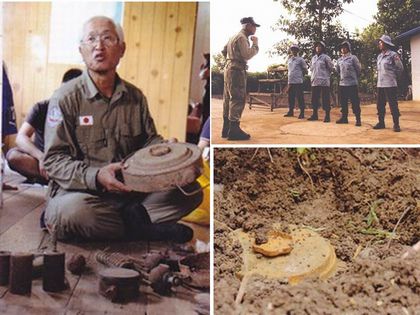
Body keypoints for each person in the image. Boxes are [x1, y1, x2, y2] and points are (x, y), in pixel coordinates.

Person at [43, 16, 202, 242]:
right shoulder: (65, 98)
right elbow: (53, 161)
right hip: (81, 196)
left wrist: (166, 151)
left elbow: (148, 143)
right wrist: (96, 176)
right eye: (91, 39)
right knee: (76, 213)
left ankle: (129, 226)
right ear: (81, 50)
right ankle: (142, 228)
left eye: (108, 38)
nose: (99, 46)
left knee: (191, 191)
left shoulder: (135, 97)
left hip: (130, 196)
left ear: (121, 49)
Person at [6, 69, 82, 185]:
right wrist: (41, 157)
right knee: (13, 156)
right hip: (42, 161)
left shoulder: (85, 111)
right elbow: (21, 137)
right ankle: (57, 178)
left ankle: (58, 177)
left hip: (69, 163)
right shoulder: (42, 107)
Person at [221, 17, 260, 140]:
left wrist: (230, 59)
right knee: (237, 97)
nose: (255, 29)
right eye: (254, 26)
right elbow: (247, 54)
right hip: (237, 70)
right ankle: (234, 130)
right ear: (247, 25)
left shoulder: (233, 36)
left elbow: (223, 50)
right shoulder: (242, 37)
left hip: (229, 68)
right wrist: (255, 44)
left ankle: (226, 128)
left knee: (228, 98)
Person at [374, 35, 403, 132]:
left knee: (393, 105)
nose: (379, 44)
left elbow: (400, 68)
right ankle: (381, 123)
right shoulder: (379, 56)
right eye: (379, 42)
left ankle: (396, 124)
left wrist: (394, 77)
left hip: (390, 84)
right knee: (380, 105)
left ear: (386, 44)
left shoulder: (393, 55)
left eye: (381, 42)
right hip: (380, 84)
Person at [335, 40, 362, 126]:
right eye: (342, 48)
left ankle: (358, 119)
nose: (343, 49)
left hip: (352, 84)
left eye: (345, 47)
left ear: (348, 48)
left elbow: (358, 69)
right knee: (343, 102)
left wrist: (353, 77)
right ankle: (344, 118)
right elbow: (338, 70)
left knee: (355, 102)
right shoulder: (339, 60)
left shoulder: (353, 58)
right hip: (343, 84)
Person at [308, 41, 334, 122]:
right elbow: (311, 69)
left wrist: (326, 75)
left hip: (324, 81)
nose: (318, 48)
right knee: (314, 98)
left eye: (320, 46)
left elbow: (331, 68)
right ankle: (314, 114)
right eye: (317, 46)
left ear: (323, 48)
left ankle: (327, 116)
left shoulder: (326, 57)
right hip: (315, 81)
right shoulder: (313, 58)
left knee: (325, 99)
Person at [284, 44, 307, 119]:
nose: (293, 51)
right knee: (291, 97)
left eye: (295, 49)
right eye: (292, 49)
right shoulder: (289, 59)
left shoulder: (300, 60)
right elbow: (289, 70)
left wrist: (300, 76)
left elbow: (305, 70)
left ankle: (302, 112)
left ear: (297, 51)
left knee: (300, 97)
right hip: (291, 81)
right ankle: (291, 111)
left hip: (298, 81)